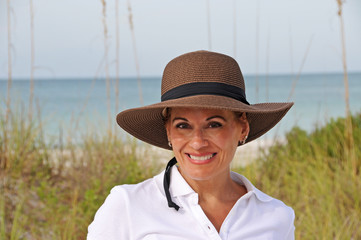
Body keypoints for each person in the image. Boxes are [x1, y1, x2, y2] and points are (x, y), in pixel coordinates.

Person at [87, 50, 295, 240]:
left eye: (214, 124)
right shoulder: (128, 206)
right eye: (183, 125)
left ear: (242, 128)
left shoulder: (277, 216)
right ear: (168, 130)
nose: (197, 142)